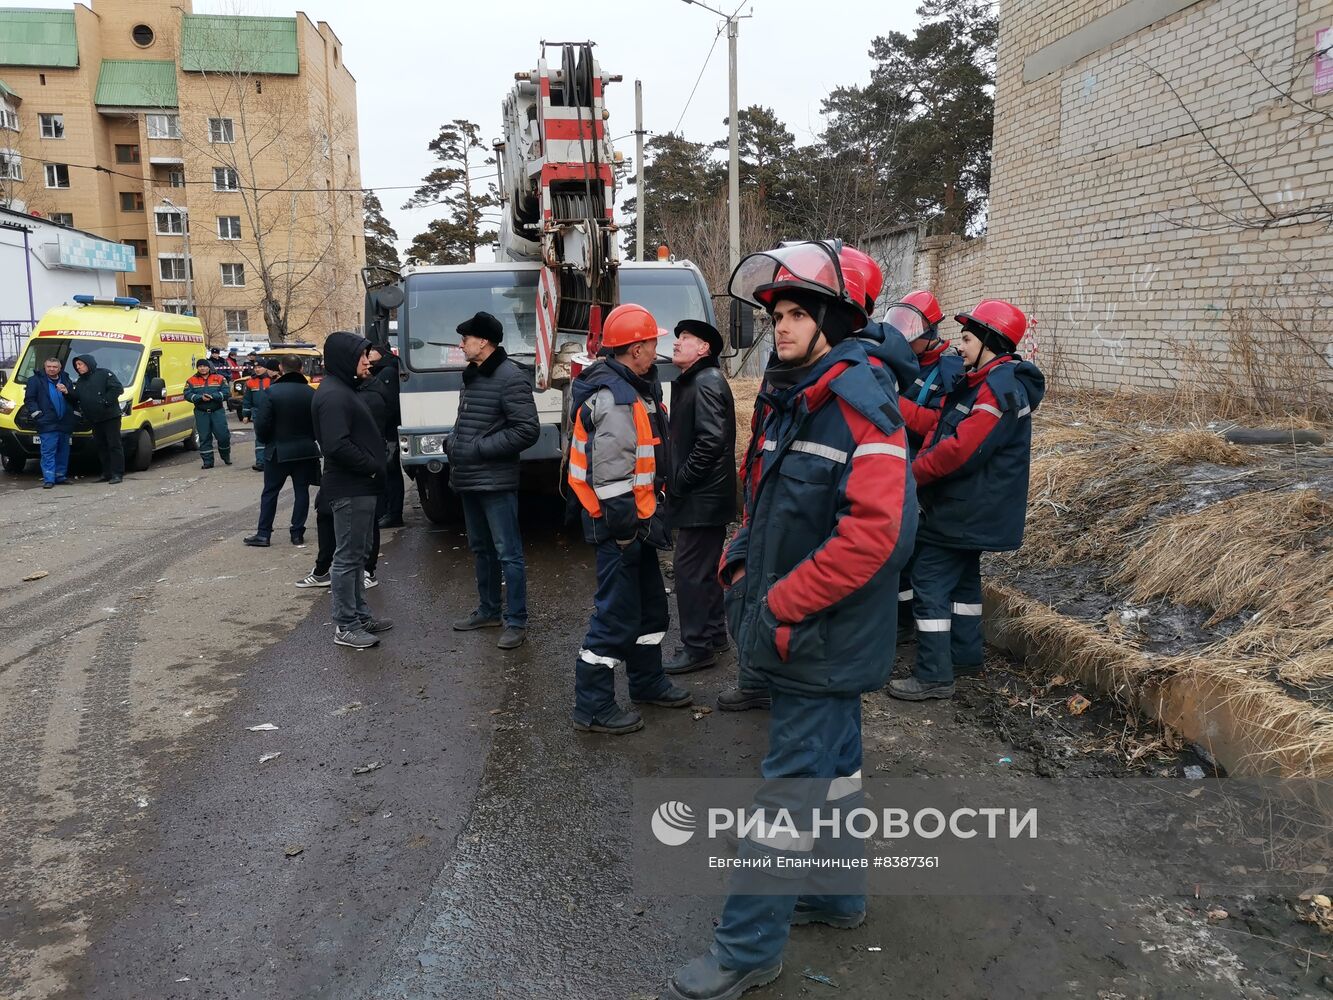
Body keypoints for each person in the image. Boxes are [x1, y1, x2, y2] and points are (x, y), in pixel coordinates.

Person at [669, 241, 916, 1000]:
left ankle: (745, 951)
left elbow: (877, 534)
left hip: (820, 637)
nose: (779, 326)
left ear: (836, 320)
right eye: (775, 313)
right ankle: (836, 896)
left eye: (796, 313)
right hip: (812, 633)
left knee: (788, 793)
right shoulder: (797, 394)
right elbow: (765, 497)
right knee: (834, 771)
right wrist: (739, 559)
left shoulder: (858, 404)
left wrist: (780, 602)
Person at [888, 300, 1044, 702]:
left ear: (990, 343)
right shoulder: (982, 381)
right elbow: (939, 426)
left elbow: (960, 449)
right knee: (963, 585)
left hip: (962, 508)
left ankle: (933, 675)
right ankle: (964, 657)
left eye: (969, 338)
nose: (959, 345)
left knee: (928, 582)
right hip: (974, 509)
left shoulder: (997, 387)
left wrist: (912, 472)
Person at [567, 303, 693, 734]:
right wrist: (624, 531)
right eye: (652, 343)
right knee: (616, 616)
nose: (656, 350)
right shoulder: (617, 397)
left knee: (649, 609)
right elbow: (613, 473)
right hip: (621, 528)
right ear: (636, 349)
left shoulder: (632, 388)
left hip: (636, 524)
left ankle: (647, 682)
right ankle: (593, 706)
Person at [447, 311, 540, 650]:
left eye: (466, 339)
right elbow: (467, 421)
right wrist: (452, 442)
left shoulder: (510, 377)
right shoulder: (472, 375)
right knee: (480, 548)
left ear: (483, 341)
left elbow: (527, 430)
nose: (462, 344)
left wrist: (479, 449)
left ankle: (516, 620)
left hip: (495, 481)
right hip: (469, 479)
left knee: (508, 553)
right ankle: (488, 610)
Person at [879, 289, 966, 636]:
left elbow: (937, 424)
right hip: (894, 468)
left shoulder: (950, 370)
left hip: (923, 478)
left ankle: (906, 626)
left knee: (913, 556)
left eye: (910, 327)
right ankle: (898, 622)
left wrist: (891, 401)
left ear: (930, 333)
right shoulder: (899, 364)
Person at [663, 319, 736, 676]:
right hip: (703, 497)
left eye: (686, 338)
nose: (677, 343)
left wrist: (681, 480)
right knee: (703, 570)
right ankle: (713, 634)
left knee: (690, 572)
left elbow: (711, 441)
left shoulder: (706, 381)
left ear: (704, 348)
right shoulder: (698, 380)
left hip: (701, 498)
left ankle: (697, 647)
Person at [312, 331, 390, 649]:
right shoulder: (333, 394)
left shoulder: (343, 388)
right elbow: (336, 444)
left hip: (360, 486)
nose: (367, 361)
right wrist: (371, 465)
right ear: (345, 358)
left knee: (357, 554)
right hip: (351, 486)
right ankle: (345, 625)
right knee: (347, 558)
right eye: (361, 355)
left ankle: (359, 615)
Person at [245, 355, 320, 547]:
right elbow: (318, 423)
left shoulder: (272, 392)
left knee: (270, 492)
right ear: (301, 368)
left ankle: (264, 534)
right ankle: (297, 533)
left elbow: (262, 423)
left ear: (281, 368)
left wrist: (266, 441)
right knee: (301, 491)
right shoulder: (311, 393)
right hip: (305, 450)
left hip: (278, 450)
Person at [361, 346, 406, 529]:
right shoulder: (384, 370)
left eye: (371, 351)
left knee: (391, 473)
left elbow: (388, 405)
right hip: (387, 432)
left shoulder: (387, 372)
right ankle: (389, 511)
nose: (368, 355)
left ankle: (393, 512)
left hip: (388, 433)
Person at [70, 354, 124, 485]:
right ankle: (106, 473)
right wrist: (67, 392)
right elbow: (77, 396)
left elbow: (117, 388)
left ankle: (117, 473)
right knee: (101, 446)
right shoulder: (81, 381)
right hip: (94, 418)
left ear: (88, 363)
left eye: (80, 364)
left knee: (114, 445)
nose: (78, 367)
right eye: (76, 365)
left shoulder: (104, 374)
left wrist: (105, 401)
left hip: (110, 416)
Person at [24, 356, 77, 488]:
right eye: (49, 367)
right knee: (48, 451)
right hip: (47, 422)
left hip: (64, 422)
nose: (52, 369)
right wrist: (38, 415)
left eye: (55, 367)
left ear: (59, 368)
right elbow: (30, 400)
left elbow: (73, 398)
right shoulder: (35, 380)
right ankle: (49, 479)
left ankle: (60, 476)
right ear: (45, 367)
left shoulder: (66, 379)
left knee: (63, 451)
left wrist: (67, 391)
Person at [184, 358, 232, 469]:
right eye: (200, 366)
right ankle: (208, 461)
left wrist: (214, 396)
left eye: (204, 366)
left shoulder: (219, 378)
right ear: (197, 368)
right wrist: (199, 398)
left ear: (209, 367)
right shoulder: (191, 380)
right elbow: (187, 394)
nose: (202, 368)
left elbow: (226, 392)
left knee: (223, 436)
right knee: (204, 437)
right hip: (201, 413)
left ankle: (226, 456)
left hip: (217, 411)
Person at [242, 359, 273, 470]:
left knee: (272, 436)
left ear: (265, 368)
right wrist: (245, 415)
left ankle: (273, 461)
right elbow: (247, 399)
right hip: (257, 412)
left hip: (271, 412)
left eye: (259, 367)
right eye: (255, 368)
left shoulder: (272, 380)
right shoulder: (250, 382)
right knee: (259, 437)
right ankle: (260, 462)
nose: (257, 369)